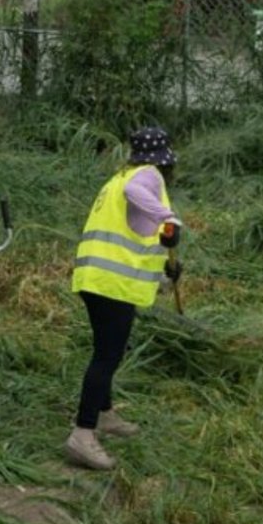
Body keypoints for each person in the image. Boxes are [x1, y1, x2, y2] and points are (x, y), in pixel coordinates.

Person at [65, 127, 183, 471]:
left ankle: (104, 414)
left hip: (96, 277)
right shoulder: (147, 176)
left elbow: (135, 241)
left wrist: (165, 275)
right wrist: (168, 218)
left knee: (106, 350)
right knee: (107, 357)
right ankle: (82, 434)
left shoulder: (119, 178)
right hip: (110, 283)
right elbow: (139, 199)